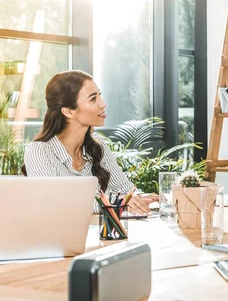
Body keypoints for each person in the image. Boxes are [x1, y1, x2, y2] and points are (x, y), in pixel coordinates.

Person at [23, 70, 157, 215]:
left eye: (100, 96)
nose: (103, 104)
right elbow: (55, 200)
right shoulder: (39, 151)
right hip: (60, 236)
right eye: (93, 99)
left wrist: (141, 198)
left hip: (100, 234)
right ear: (68, 111)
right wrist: (119, 202)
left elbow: (124, 188)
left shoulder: (99, 145)